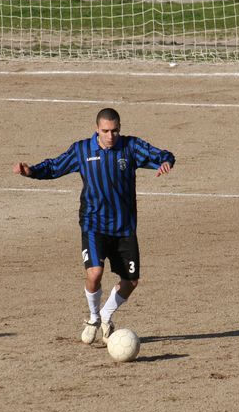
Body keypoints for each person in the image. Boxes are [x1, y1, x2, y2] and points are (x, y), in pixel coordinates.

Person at [16, 108, 175, 345]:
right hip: (94, 224)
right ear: (96, 129)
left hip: (124, 227)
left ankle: (106, 315)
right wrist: (31, 172)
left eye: (115, 131)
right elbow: (55, 166)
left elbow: (163, 154)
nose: (111, 136)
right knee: (95, 273)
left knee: (131, 282)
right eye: (106, 131)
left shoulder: (131, 147)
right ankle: (93, 318)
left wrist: (166, 162)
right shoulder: (82, 150)